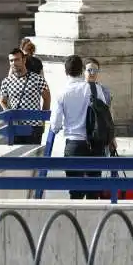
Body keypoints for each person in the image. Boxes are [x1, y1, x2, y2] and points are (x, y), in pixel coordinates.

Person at [50, 55, 112, 199]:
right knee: (94, 191)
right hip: (95, 144)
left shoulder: (62, 93)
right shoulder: (95, 89)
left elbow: (55, 125)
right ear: (82, 70)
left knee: (75, 192)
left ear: (66, 72)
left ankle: (75, 219)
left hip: (74, 144)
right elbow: (105, 115)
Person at [0, 48, 50, 144]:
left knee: (33, 157)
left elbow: (47, 98)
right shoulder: (6, 81)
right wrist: (8, 112)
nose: (14, 63)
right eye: (11, 60)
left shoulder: (37, 79)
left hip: (34, 127)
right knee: (17, 157)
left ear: (24, 60)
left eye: (17, 59)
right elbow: (2, 101)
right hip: (15, 127)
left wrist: (42, 119)